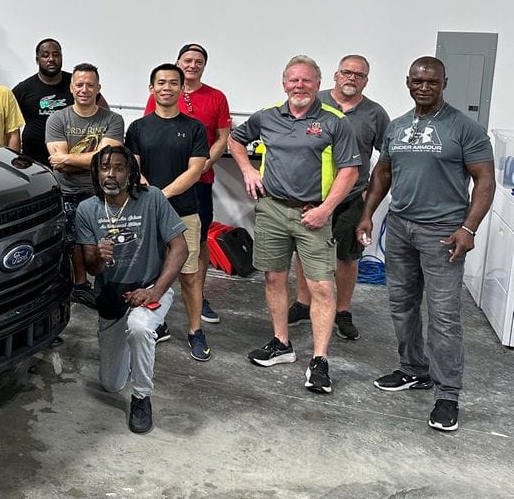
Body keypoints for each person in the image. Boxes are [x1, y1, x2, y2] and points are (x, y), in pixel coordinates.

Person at [357, 56, 495, 432]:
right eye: (418, 81)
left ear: (444, 83)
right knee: (402, 305)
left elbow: (485, 181)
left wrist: (469, 228)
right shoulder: (398, 127)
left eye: (432, 81)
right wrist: (368, 213)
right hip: (400, 228)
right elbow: (382, 173)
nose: (424, 87)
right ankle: (413, 369)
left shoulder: (465, 129)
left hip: (443, 233)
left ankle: (447, 393)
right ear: (407, 82)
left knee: (444, 315)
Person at [228, 55, 359, 394]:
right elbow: (235, 139)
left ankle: (319, 360)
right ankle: (281, 343)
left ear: (318, 84)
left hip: (313, 213)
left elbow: (350, 171)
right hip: (272, 208)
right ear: (283, 83)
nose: (299, 86)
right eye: (293, 80)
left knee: (322, 287)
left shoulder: (334, 121)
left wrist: (326, 210)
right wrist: (247, 169)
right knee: (273, 277)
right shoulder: (268, 116)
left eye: (306, 81)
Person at [74, 145, 187, 434]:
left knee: (139, 328)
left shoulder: (153, 199)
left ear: (131, 173)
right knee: (111, 385)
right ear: (96, 172)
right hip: (112, 293)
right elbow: (91, 269)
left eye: (119, 167)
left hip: (150, 287)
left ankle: (141, 397)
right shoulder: (87, 209)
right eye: (104, 167)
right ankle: (135, 347)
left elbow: (180, 249)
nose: (111, 174)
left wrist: (157, 291)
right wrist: (98, 256)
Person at [289, 55, 390, 340]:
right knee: (304, 251)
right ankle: (302, 302)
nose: (352, 78)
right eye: (347, 72)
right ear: (335, 75)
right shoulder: (312, 100)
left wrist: (369, 198)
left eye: (359, 75)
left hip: (351, 198)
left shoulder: (375, 114)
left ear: (366, 81)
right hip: (309, 196)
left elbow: (386, 159)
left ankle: (343, 311)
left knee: (347, 257)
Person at [127, 63, 211, 361]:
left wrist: (160, 196)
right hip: (145, 214)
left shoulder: (194, 128)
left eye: (173, 83)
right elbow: (133, 168)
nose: (166, 87)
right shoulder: (138, 128)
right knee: (150, 275)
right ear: (152, 88)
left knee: (189, 276)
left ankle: (195, 330)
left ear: (181, 88)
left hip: (184, 213)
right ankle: (157, 324)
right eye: (160, 82)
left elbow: (195, 170)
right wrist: (150, 195)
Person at [145, 43, 231, 325]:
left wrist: (205, 163)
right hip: (158, 187)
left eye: (198, 61)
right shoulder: (162, 96)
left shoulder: (216, 97)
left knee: (199, 239)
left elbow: (222, 137)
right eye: (187, 60)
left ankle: (198, 295)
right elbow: (149, 138)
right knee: (157, 244)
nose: (192, 65)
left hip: (200, 182)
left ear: (203, 66)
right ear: (178, 62)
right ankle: (157, 297)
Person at [45, 64, 124, 307]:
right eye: (79, 84)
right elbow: (58, 164)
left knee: (105, 241)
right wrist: (93, 161)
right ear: (71, 87)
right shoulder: (57, 119)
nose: (84, 89)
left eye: (90, 85)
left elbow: (106, 159)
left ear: (99, 88)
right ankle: (80, 285)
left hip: (103, 193)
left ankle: (108, 285)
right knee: (74, 242)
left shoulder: (113, 119)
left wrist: (69, 159)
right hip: (67, 192)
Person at [13, 39, 72, 165]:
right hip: (32, 161)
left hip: (69, 160)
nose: (51, 59)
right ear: (37, 60)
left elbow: (102, 112)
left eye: (56, 55)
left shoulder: (76, 84)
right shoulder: (23, 89)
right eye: (45, 55)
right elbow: (8, 126)